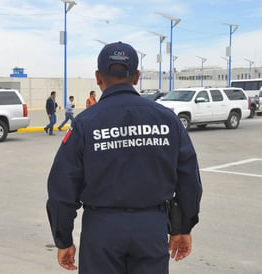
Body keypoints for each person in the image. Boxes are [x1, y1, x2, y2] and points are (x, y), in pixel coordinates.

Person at [46, 41, 202, 274]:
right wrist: (183, 227)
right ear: (137, 76)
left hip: (102, 231)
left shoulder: (85, 124)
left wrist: (64, 239)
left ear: (98, 77)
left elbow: (62, 187)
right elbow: (189, 179)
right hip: (151, 228)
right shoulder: (167, 120)